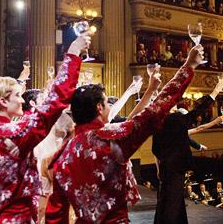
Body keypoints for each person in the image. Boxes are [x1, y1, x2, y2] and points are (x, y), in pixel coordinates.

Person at [45, 45, 204, 223]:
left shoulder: (63, 155)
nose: (109, 107)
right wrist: (188, 66)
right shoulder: (111, 138)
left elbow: (56, 213)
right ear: (99, 107)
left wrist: (151, 89)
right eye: (107, 103)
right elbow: (155, 110)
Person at [0, 34, 90, 223]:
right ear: (3, 101)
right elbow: (54, 104)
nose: (22, 100)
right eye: (17, 95)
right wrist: (73, 53)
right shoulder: (12, 134)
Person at [152, 78, 223, 224]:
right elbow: (198, 111)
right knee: (174, 200)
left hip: (165, 166)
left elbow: (155, 149)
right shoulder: (177, 118)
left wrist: (159, 167)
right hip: (176, 167)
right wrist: (215, 91)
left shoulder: (158, 121)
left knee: (166, 198)